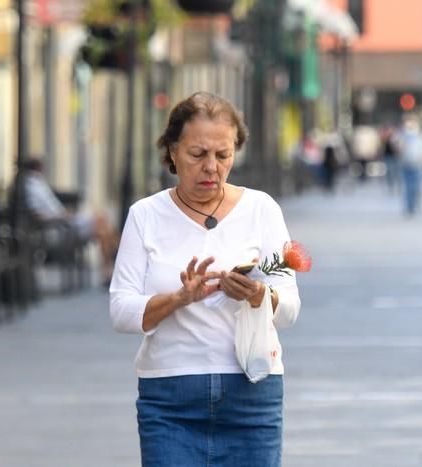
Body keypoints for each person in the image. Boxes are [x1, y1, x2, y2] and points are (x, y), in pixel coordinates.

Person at [109, 92, 302, 466]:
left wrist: (260, 294)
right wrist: (179, 298)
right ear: (172, 152)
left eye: (223, 155)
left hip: (252, 393)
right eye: (198, 155)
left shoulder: (261, 210)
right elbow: (121, 311)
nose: (211, 166)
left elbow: (290, 306)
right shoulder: (145, 215)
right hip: (170, 397)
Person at [19, 157, 118, 284]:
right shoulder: (31, 186)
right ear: (38, 167)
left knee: (102, 228)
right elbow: (36, 215)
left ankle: (109, 268)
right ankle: (114, 257)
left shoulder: (37, 183)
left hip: (64, 222)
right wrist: (63, 216)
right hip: (59, 227)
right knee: (101, 223)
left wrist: (66, 215)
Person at [396, 113, 422, 216]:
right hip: (406, 164)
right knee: (407, 187)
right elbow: (396, 147)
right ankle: (409, 207)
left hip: (418, 165)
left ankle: (415, 205)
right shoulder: (402, 134)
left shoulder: (421, 135)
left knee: (416, 187)